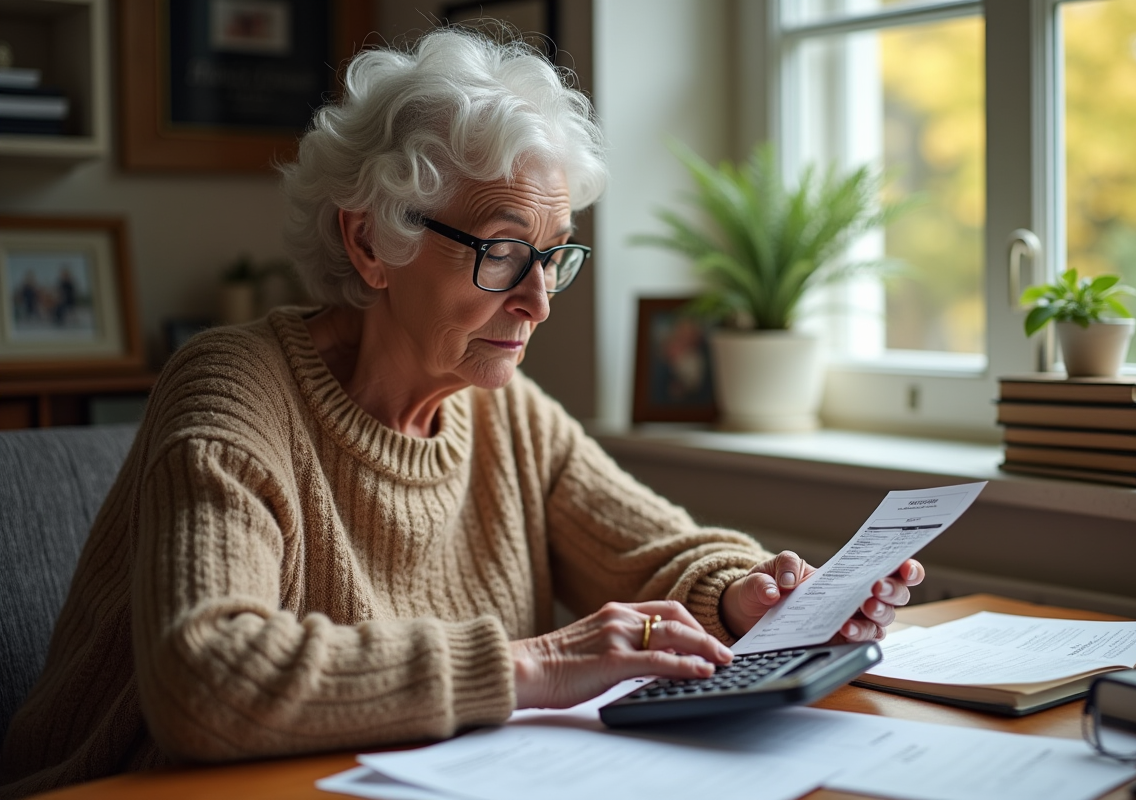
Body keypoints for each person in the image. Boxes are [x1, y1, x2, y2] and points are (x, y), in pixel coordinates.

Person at [0, 28, 923, 799]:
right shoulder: (233, 393)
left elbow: (659, 553)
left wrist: (743, 593)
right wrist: (535, 664)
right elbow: (208, 678)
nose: (539, 302)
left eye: (555, 255)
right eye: (502, 253)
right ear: (370, 241)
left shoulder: (507, 416)